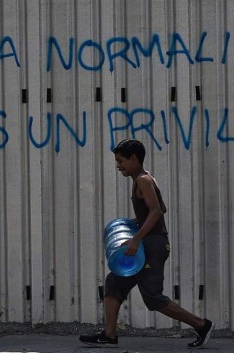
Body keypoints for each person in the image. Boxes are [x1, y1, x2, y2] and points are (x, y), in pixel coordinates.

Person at [80, 139, 214, 348]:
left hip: (153, 245)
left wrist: (136, 237)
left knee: (153, 298)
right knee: (114, 282)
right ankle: (109, 334)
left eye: (121, 161)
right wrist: (136, 223)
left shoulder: (143, 180)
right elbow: (161, 209)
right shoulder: (145, 179)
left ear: (134, 159)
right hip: (149, 242)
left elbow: (156, 211)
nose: (118, 165)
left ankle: (201, 325)